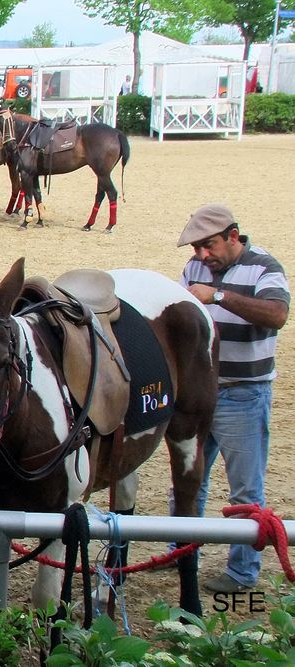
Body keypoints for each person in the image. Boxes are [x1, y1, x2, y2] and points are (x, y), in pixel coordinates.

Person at [177, 203, 289, 593]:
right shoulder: (194, 270)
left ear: (233, 236)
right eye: (195, 249)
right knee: (190, 481)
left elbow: (276, 315)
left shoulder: (265, 267)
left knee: (245, 491)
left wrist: (218, 296)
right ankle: (181, 553)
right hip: (199, 396)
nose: (201, 256)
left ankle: (243, 572)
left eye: (208, 246)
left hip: (244, 394)